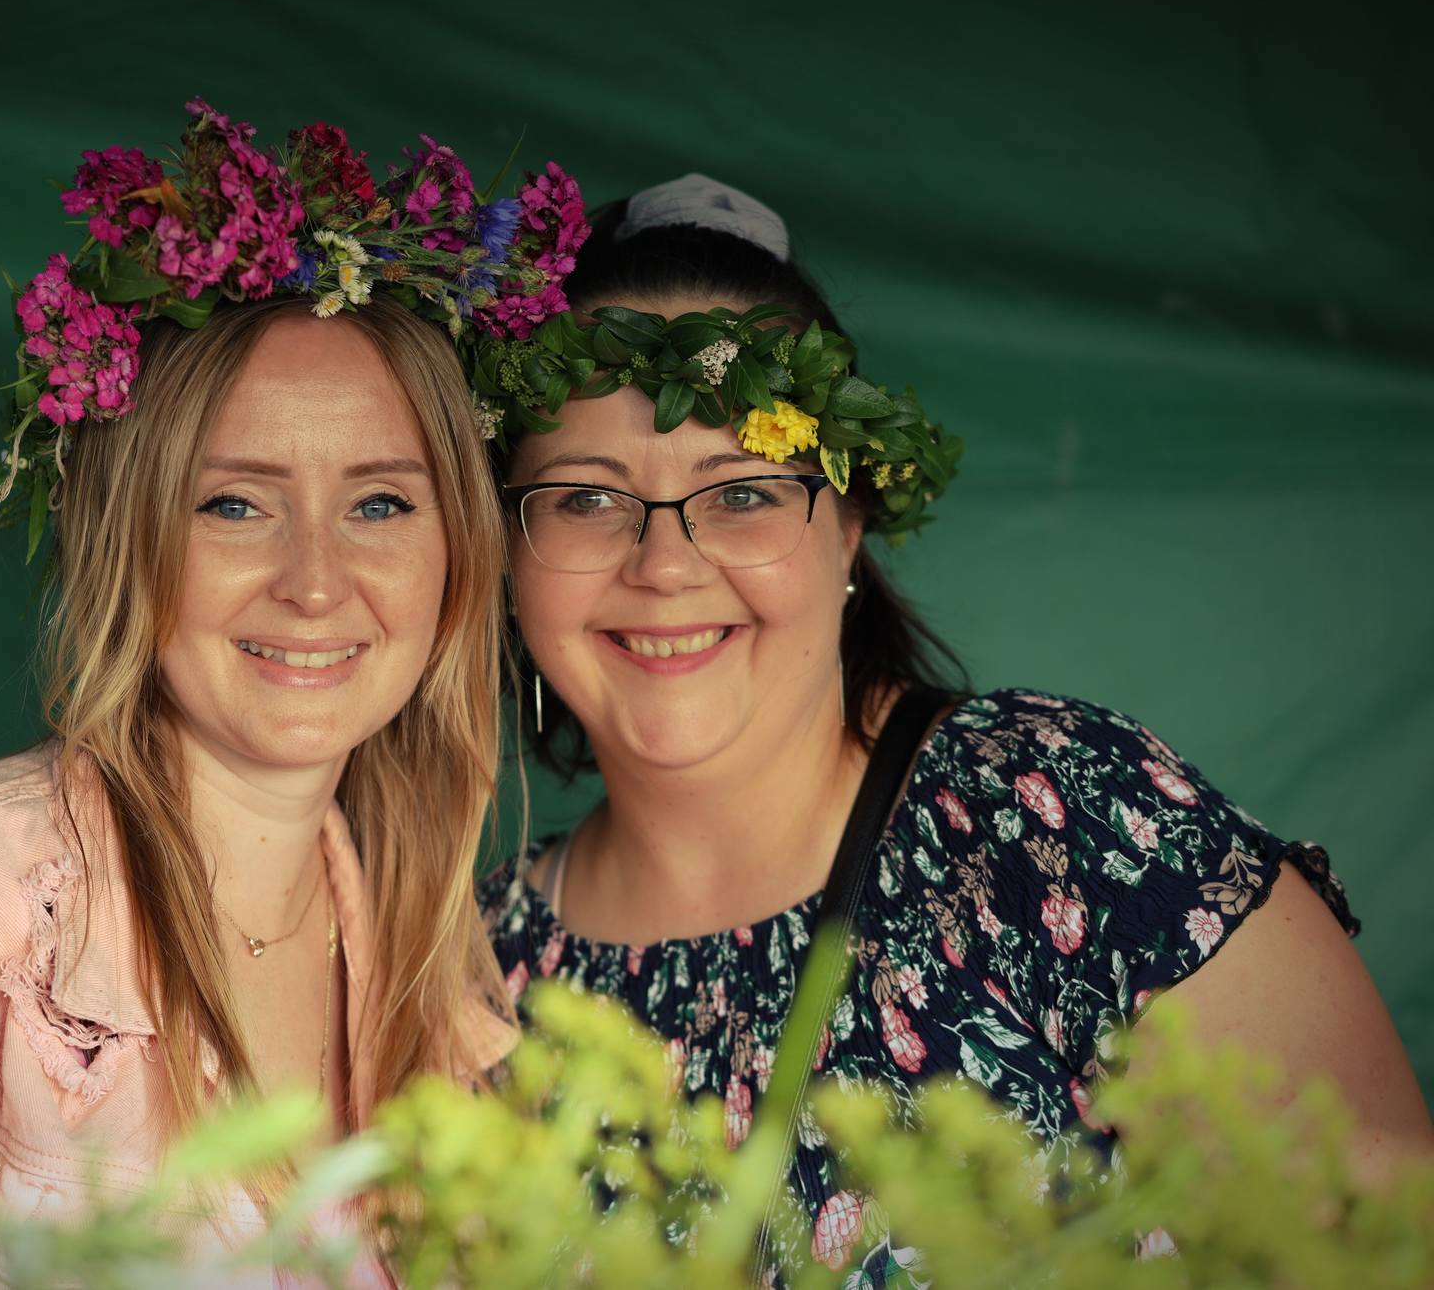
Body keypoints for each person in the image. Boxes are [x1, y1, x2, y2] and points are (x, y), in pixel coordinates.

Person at [0, 103, 584, 1287]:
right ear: (126, 538)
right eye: (233, 503)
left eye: (379, 502)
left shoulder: (433, 961)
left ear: (457, 554)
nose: (315, 582)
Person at [473, 173, 1433, 1275]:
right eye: (585, 498)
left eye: (741, 492)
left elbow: (1391, 1251)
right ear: (504, 552)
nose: (665, 566)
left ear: (848, 528)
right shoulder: (470, 975)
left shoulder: (1055, 818)